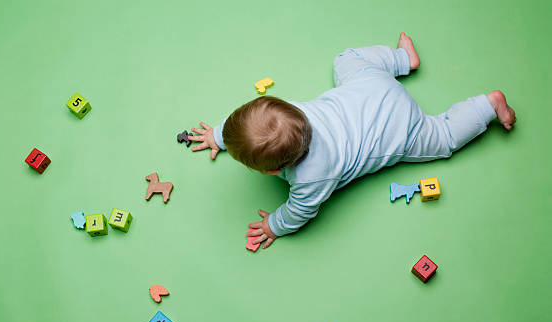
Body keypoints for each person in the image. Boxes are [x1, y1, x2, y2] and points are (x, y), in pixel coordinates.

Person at [188, 33, 516, 249]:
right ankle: (402, 60)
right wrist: (221, 135)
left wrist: (274, 226)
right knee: (345, 59)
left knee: (443, 138)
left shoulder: (312, 178)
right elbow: (252, 124)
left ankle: (487, 106)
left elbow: (299, 212)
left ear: (274, 172)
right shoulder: (291, 113)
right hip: (373, 86)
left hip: (400, 130)